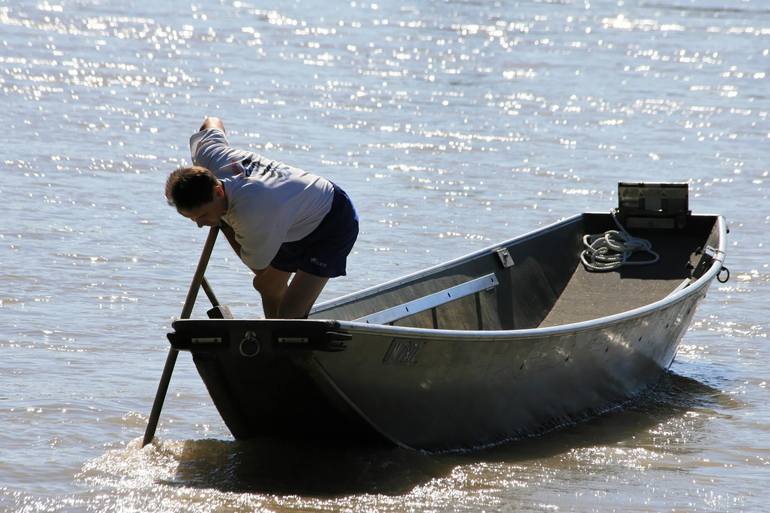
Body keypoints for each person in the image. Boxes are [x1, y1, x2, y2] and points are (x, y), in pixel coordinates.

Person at [165, 116, 358, 319]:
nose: (200, 225)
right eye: (193, 218)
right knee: (269, 288)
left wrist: (226, 226)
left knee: (287, 310)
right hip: (289, 217)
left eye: (203, 215)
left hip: (333, 220)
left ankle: (290, 335)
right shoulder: (210, 156)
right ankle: (277, 341)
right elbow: (212, 121)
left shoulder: (252, 215)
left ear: (219, 192)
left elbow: (259, 267)